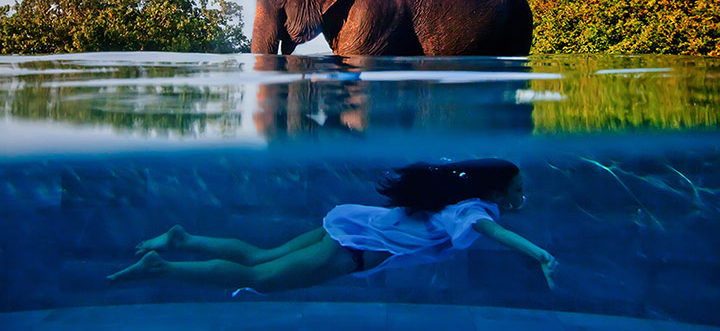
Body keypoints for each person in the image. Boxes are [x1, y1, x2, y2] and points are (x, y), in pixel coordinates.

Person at [107, 159, 559, 292]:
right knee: (259, 278)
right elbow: (494, 233)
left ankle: (183, 239)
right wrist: (539, 254)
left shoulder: (455, 199)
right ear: (497, 193)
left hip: (349, 226)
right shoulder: (474, 211)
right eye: (517, 190)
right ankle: (161, 268)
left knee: (260, 257)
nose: (522, 198)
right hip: (351, 249)